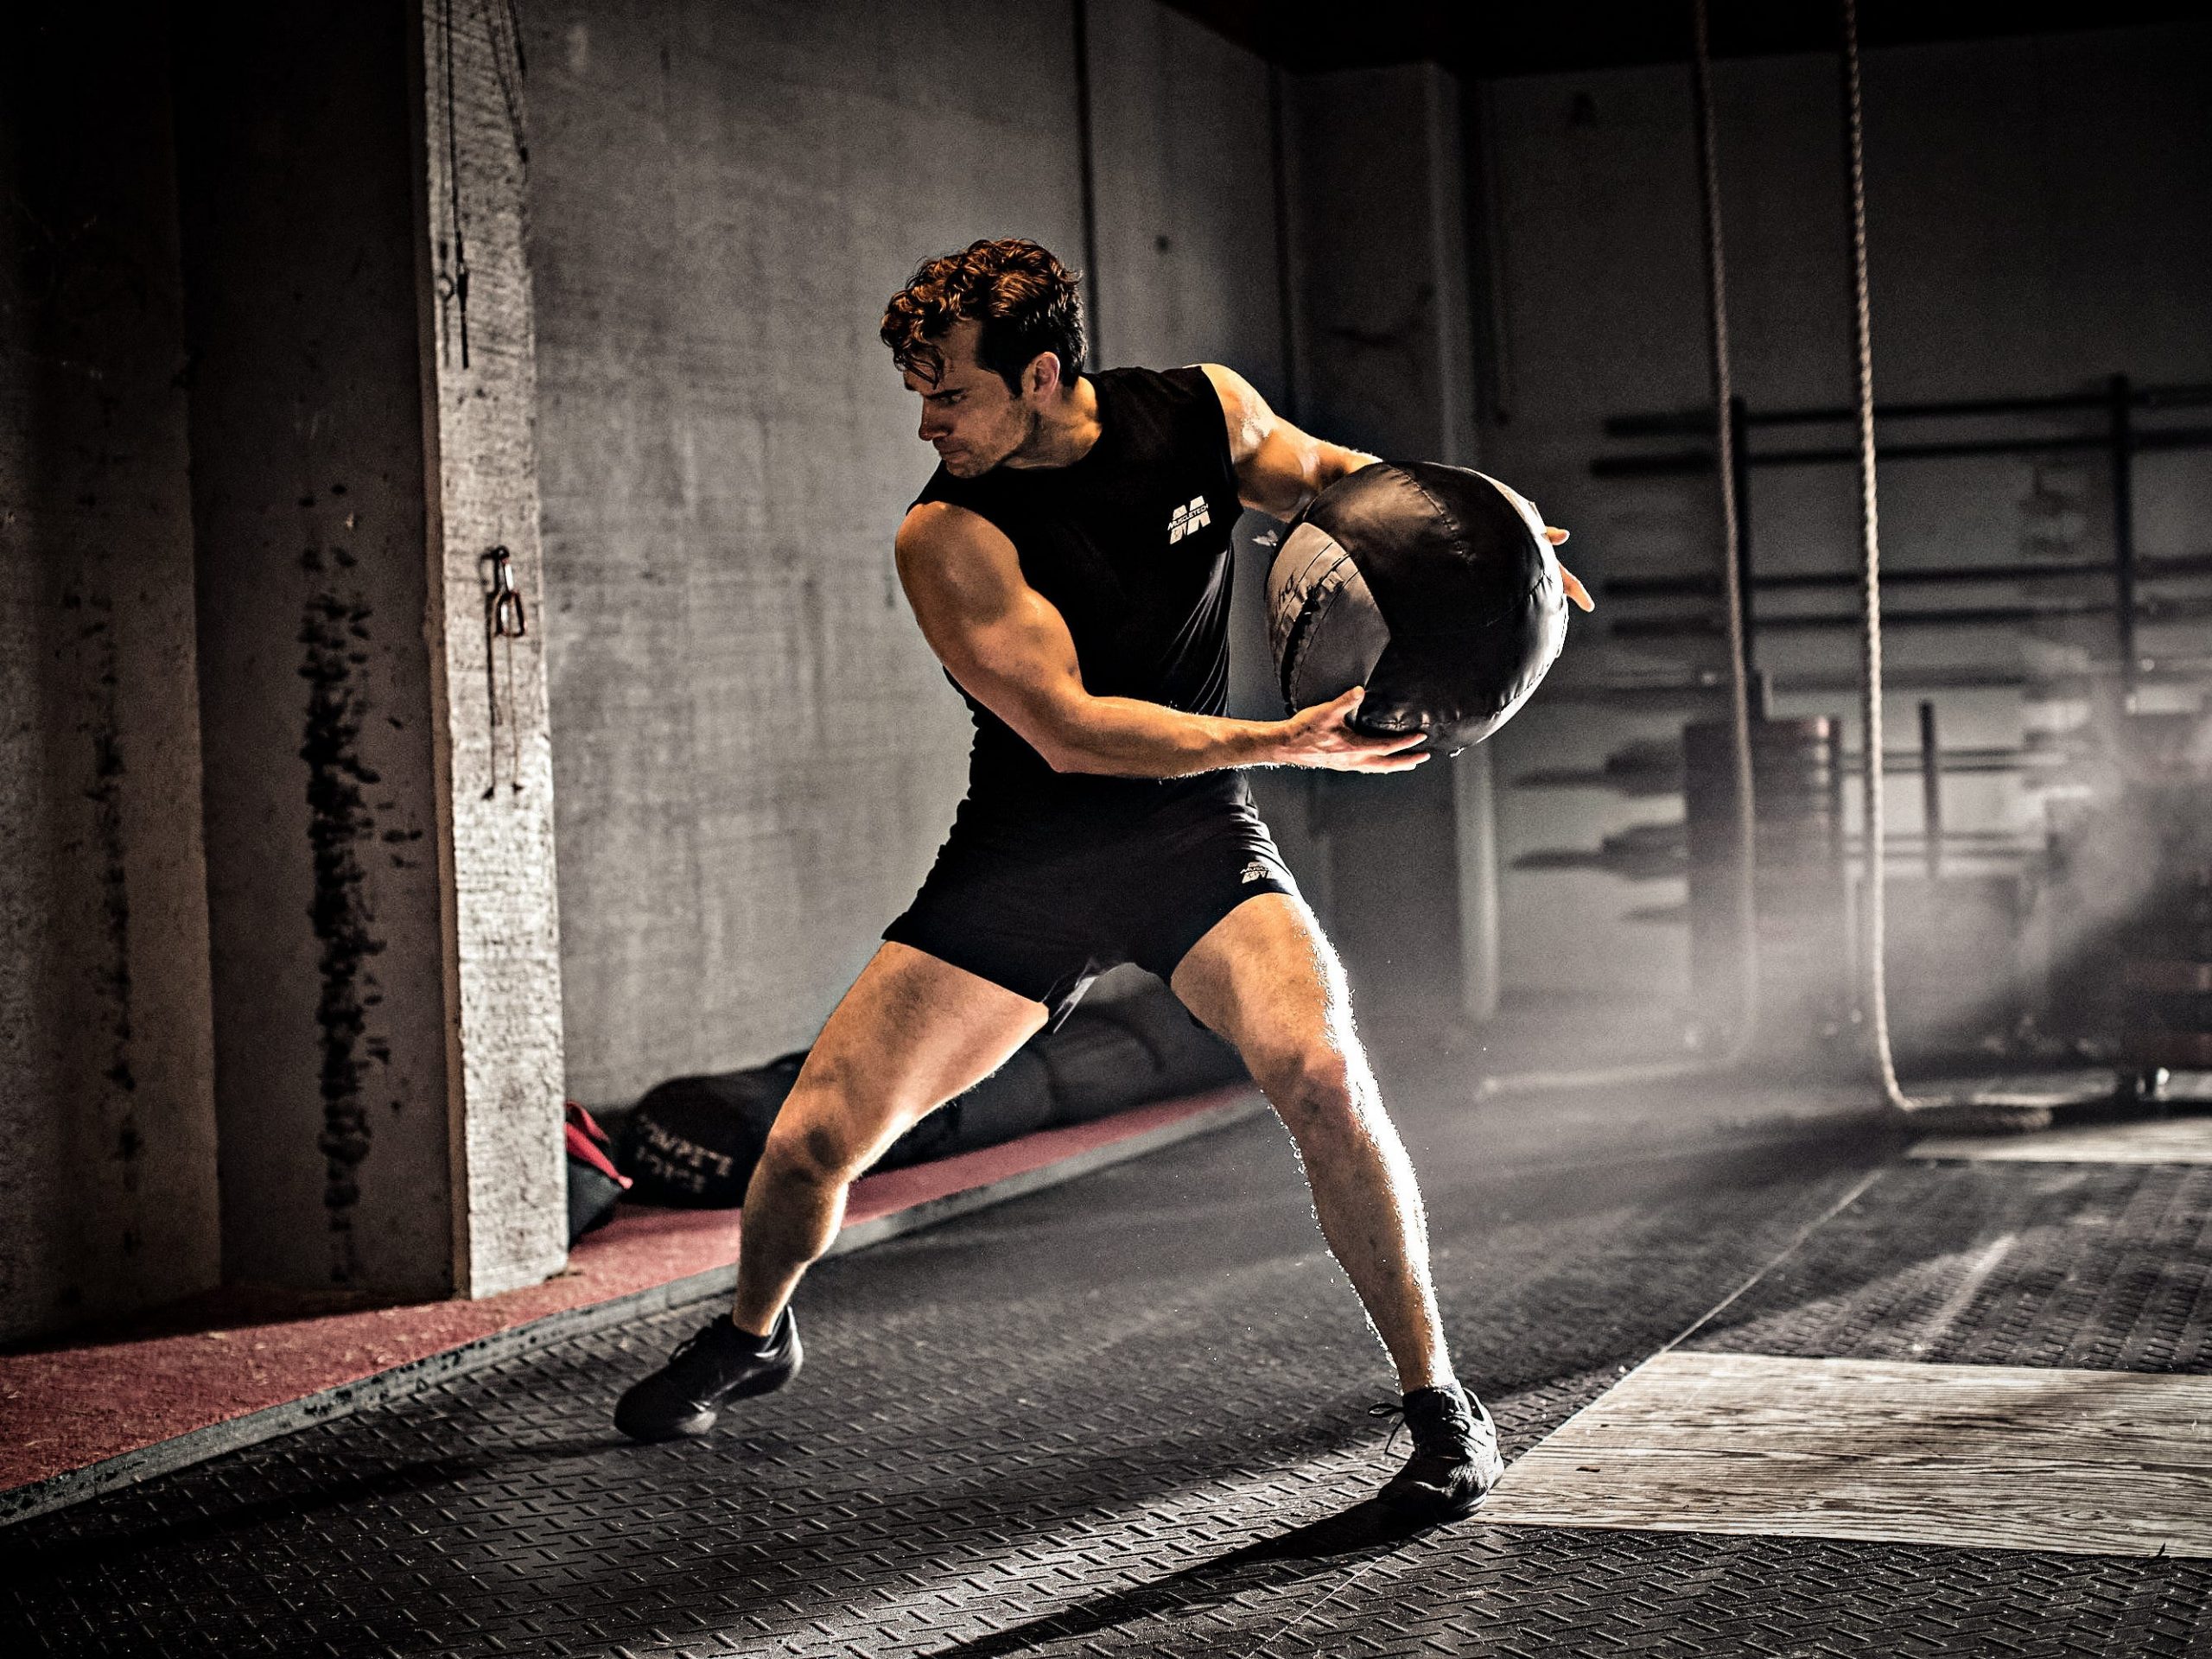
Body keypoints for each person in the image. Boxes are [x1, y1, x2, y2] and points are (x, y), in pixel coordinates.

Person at [614, 238, 1590, 1520]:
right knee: (805, 1146)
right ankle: (753, 1335)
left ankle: (1442, 1408)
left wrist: (1492, 554)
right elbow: (1071, 729)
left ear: (1039, 373)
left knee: (1322, 1069)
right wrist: (1280, 743)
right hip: (1030, 858)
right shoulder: (945, 536)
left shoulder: (1200, 414)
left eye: (948, 392)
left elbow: (1346, 486)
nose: (929, 422)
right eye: (920, 395)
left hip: (1192, 839)